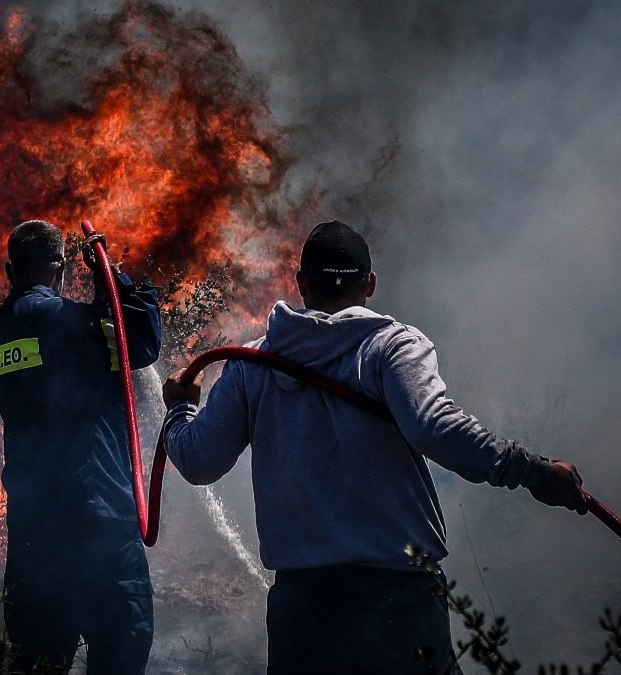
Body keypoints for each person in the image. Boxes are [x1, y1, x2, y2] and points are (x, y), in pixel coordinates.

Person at [161, 220, 586, 674]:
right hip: (399, 594)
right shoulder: (394, 346)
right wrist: (534, 472)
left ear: (302, 283)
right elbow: (435, 427)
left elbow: (197, 461)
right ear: (370, 284)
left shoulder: (252, 364)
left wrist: (180, 410)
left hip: (304, 606)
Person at [0, 220, 161, 674]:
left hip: (33, 528)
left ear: (10, 270)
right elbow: (139, 338)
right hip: (95, 515)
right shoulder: (66, 321)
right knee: (122, 649)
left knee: (38, 660)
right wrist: (110, 277)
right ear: (61, 267)